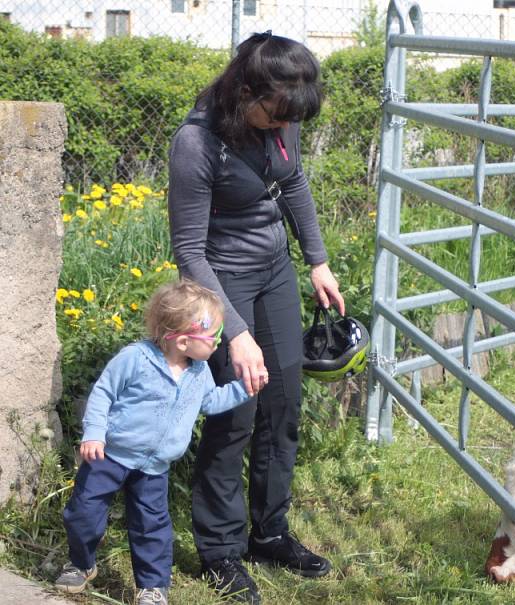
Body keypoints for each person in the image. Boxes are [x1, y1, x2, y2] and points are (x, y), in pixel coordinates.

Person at [167, 30, 345, 604]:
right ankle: (220, 551)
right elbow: (190, 253)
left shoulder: (282, 114)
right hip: (220, 282)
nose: (284, 125)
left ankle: (269, 532)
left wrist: (317, 261)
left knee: (284, 402)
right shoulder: (196, 144)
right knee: (235, 414)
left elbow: (293, 183)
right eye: (277, 113)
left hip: (274, 274)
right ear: (246, 90)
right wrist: (235, 333)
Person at [55, 280, 263, 605]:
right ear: (182, 341)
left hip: (154, 467)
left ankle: (153, 586)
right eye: (214, 336)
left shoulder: (200, 372)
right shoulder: (135, 359)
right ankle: (81, 564)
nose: (219, 341)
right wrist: (94, 432)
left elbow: (210, 403)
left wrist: (243, 390)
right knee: (83, 514)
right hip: (109, 455)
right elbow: (104, 393)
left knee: (152, 527)